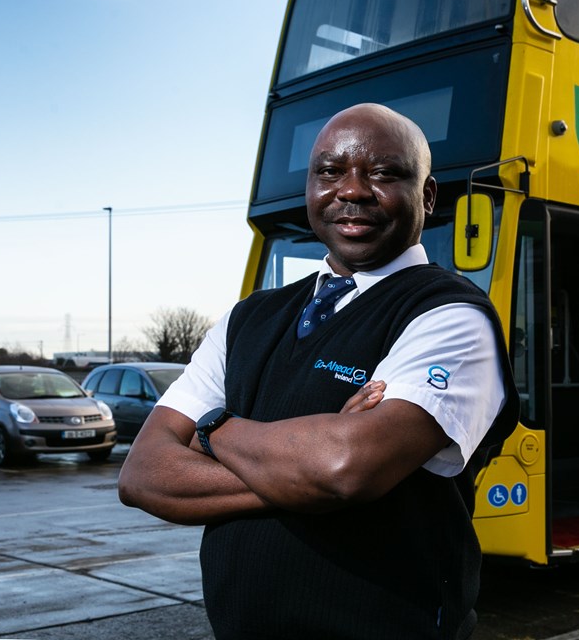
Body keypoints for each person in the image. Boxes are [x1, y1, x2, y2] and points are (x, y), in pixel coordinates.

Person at [119, 103, 517, 640]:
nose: (352, 190)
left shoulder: (450, 314)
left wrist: (212, 429)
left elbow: (342, 466)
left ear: (426, 196)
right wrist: (303, 473)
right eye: (330, 172)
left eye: (384, 172)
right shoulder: (247, 319)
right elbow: (143, 475)